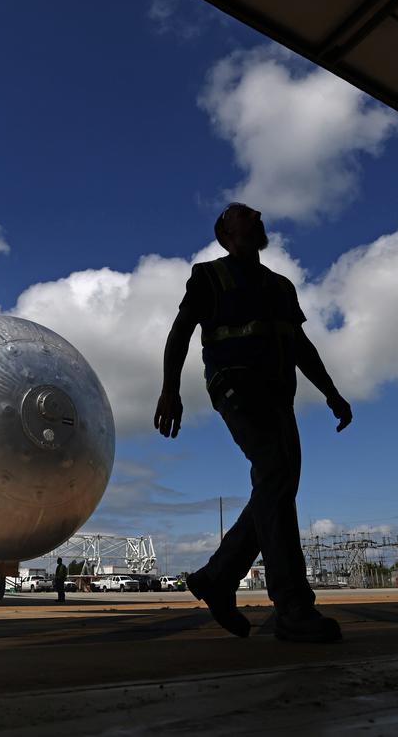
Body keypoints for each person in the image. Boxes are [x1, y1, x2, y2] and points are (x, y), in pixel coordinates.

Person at [154, 203, 352, 644]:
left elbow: (300, 344)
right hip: (236, 388)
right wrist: (171, 389)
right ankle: (293, 607)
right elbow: (180, 331)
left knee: (275, 486)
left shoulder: (281, 286)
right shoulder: (208, 275)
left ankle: (216, 578)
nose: (257, 214)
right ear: (225, 233)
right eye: (242, 214)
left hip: (280, 397)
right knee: (276, 478)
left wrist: (331, 391)